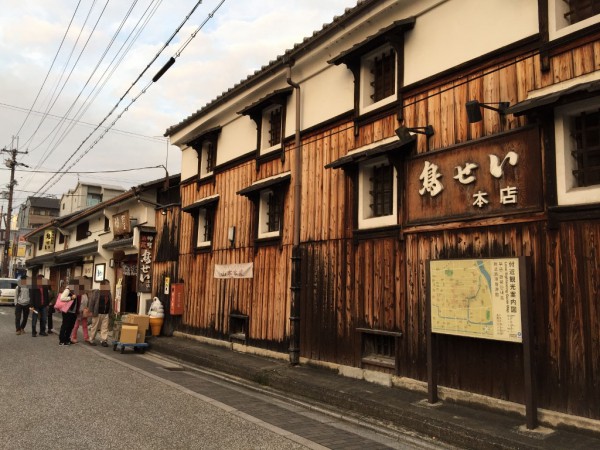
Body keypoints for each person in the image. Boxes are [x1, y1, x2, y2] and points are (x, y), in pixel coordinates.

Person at [89, 280, 112, 347]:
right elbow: (92, 302)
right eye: (107, 284)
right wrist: (91, 311)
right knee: (95, 327)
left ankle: (104, 340)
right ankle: (91, 339)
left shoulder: (109, 293)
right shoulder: (97, 292)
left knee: (105, 328)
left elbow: (110, 303)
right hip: (97, 312)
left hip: (106, 313)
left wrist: (110, 311)